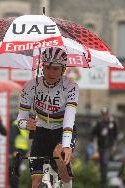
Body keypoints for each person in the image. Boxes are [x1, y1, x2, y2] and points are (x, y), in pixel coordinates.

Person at [16, 47, 79, 188]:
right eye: (47, 67)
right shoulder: (31, 86)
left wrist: (67, 145)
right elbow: (19, 120)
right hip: (41, 132)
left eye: (56, 68)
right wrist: (27, 125)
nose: (51, 72)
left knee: (59, 154)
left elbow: (70, 117)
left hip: (62, 131)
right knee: (35, 184)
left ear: (63, 69)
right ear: (42, 66)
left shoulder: (70, 86)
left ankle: (66, 183)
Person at [90, 107, 118, 187]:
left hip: (109, 146)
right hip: (100, 146)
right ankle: (103, 181)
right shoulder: (99, 123)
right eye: (103, 114)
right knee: (102, 163)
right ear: (101, 115)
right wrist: (92, 142)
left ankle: (104, 182)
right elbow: (93, 133)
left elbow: (115, 134)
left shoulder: (112, 123)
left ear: (108, 114)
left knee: (105, 162)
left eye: (106, 114)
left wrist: (114, 145)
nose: (104, 116)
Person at [9, 119, 29, 188]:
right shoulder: (16, 124)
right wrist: (13, 151)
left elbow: (26, 138)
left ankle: (16, 185)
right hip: (17, 150)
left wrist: (26, 151)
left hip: (23, 150)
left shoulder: (25, 123)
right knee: (16, 170)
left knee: (18, 169)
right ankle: (14, 186)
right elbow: (12, 138)